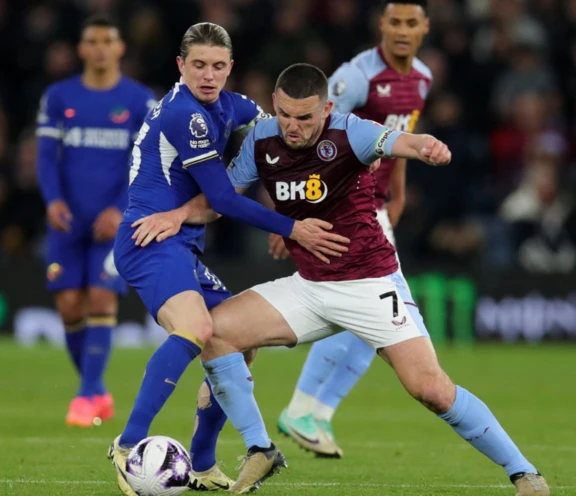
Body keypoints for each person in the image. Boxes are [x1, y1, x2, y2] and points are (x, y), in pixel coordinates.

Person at [156, 63, 549, 496]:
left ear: (326, 109)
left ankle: (524, 473)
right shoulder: (262, 138)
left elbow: (400, 141)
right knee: (216, 334)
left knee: (431, 390)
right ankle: (260, 449)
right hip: (308, 286)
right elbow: (221, 199)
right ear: (274, 104)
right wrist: (175, 216)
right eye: (285, 113)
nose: (292, 126)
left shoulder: (351, 132)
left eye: (305, 117)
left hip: (371, 285)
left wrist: (426, 146)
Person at [106, 24, 349, 496]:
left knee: (239, 340)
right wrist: (291, 226)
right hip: (149, 238)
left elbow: (279, 141)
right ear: (181, 66)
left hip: (183, 242)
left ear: (230, 68)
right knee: (197, 330)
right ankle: (127, 442)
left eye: (218, 66)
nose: (209, 74)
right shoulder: (184, 114)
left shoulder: (235, 106)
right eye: (198, 64)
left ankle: (200, 461)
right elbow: (222, 197)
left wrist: (354, 156)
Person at [275, 0, 433, 458]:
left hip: (375, 208)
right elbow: (310, 136)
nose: (402, 30)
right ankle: (306, 410)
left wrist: (397, 193)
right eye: (395, 22)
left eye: (411, 23)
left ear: (424, 28)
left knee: (379, 323)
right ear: (381, 25)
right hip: (342, 209)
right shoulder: (357, 77)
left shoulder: (421, 77)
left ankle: (312, 412)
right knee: (388, 321)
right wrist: (296, 215)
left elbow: (398, 137)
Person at [36, 15, 157, 428]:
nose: (101, 47)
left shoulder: (141, 101)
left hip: (115, 221)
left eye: (109, 40)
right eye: (93, 40)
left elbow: (146, 163)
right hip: (68, 221)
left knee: (103, 298)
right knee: (70, 306)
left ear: (120, 48)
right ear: (82, 49)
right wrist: (52, 201)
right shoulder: (58, 96)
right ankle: (97, 389)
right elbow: (44, 157)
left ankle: (86, 396)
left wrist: (123, 207)